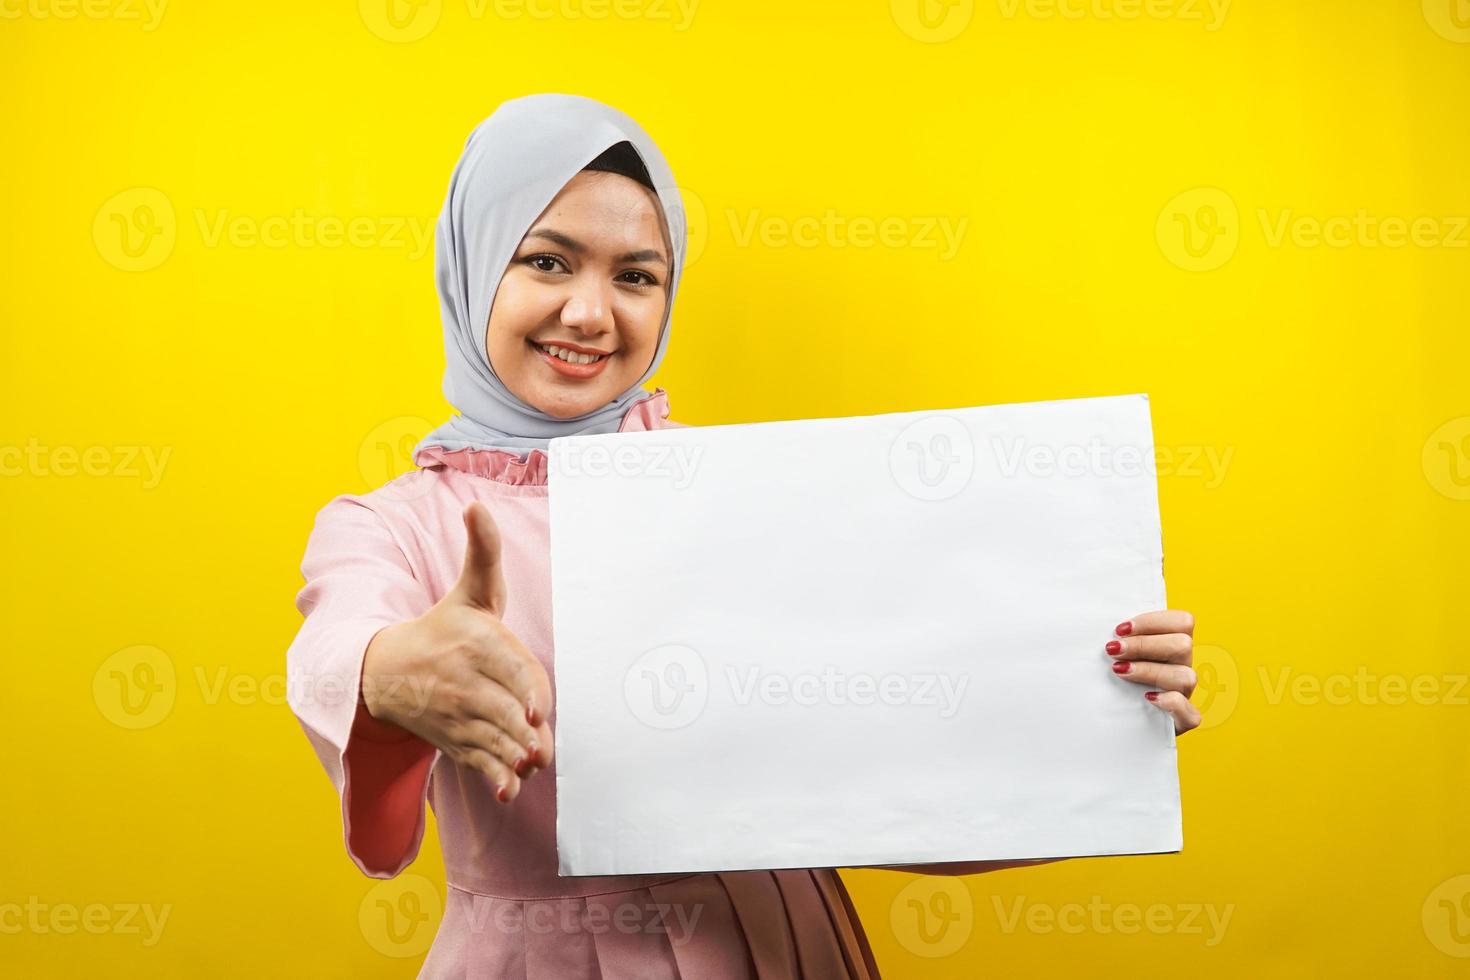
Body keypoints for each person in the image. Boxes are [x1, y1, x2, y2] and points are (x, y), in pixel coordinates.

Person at [285, 92, 1202, 978]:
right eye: (548, 262)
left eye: (636, 275)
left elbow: (891, 761)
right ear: (472, 264)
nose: (592, 314)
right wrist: (391, 670)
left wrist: (1095, 709)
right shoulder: (391, 526)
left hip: (782, 945)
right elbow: (335, 644)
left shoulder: (744, 490)